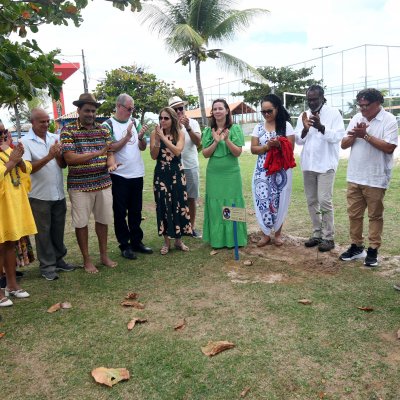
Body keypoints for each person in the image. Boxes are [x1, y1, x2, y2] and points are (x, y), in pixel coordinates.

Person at [61, 93, 119, 274]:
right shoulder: (68, 130)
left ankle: (104, 255)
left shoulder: (103, 129)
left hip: (103, 182)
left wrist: (111, 164)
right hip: (80, 186)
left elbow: (109, 153)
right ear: (78, 110)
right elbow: (69, 158)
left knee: (103, 220)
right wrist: (96, 153)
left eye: (93, 111)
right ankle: (87, 260)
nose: (91, 114)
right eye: (87, 110)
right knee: (81, 223)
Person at [340, 88, 398, 267]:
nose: (362, 110)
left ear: (377, 103)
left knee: (375, 216)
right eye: (360, 106)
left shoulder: (389, 120)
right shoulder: (357, 118)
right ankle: (357, 247)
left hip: (375, 176)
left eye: (366, 106)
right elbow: (343, 144)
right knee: (354, 215)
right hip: (355, 175)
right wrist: (355, 135)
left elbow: (389, 147)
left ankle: (373, 250)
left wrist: (365, 135)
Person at [22, 108, 75, 281]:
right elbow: (29, 169)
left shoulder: (54, 137)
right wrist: (49, 156)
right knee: (43, 233)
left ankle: (59, 259)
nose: (46, 124)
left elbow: (62, 165)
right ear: (33, 122)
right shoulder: (25, 142)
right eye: (41, 121)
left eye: (47, 121)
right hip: (39, 195)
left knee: (58, 230)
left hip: (57, 193)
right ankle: (46, 266)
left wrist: (59, 156)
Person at [295, 85, 345, 252]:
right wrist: (305, 128)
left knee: (324, 200)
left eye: (315, 99)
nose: (311, 102)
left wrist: (321, 127)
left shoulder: (333, 113)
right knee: (311, 201)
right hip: (308, 164)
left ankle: (328, 237)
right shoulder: (304, 115)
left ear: (323, 98)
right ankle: (317, 234)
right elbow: (299, 140)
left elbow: (338, 136)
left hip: (326, 164)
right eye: (309, 99)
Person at [102, 94, 153, 260]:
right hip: (119, 175)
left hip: (136, 173)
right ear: (119, 106)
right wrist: (127, 136)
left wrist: (140, 138)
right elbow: (111, 148)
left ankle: (137, 242)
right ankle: (124, 245)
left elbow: (142, 147)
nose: (131, 112)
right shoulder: (107, 124)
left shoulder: (135, 122)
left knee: (136, 211)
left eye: (133, 109)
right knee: (120, 212)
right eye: (129, 109)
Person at [251, 94, 295, 247]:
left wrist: (279, 145)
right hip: (261, 171)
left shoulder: (286, 126)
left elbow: (291, 149)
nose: (266, 114)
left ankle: (277, 234)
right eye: (263, 112)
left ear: (277, 108)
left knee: (279, 199)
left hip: (281, 171)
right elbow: (253, 149)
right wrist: (267, 147)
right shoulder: (258, 127)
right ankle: (265, 234)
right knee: (262, 200)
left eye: (269, 111)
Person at [202, 98, 247, 248]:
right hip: (214, 174)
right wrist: (215, 141)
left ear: (227, 110)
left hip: (231, 174)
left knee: (232, 203)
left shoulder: (235, 129)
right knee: (216, 206)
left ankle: (234, 238)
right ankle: (218, 239)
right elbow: (205, 154)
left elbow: (237, 153)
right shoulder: (208, 131)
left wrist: (226, 140)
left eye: (220, 108)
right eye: (215, 109)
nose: (217, 111)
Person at [0, 123, 36, 306]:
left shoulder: (6, 148)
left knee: (9, 244)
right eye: (0, 132)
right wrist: (12, 161)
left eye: (4, 131)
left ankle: (12, 285)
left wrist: (20, 160)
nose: (3, 135)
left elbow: (26, 170)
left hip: (11, 206)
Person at [150, 107, 192, 255]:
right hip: (161, 174)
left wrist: (163, 139)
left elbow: (177, 151)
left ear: (172, 119)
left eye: (166, 118)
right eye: (161, 118)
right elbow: (153, 156)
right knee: (163, 206)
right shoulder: (155, 133)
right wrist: (157, 140)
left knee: (178, 204)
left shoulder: (179, 133)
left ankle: (179, 240)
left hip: (176, 173)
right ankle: (166, 242)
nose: (162, 121)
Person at [168, 96, 202, 238]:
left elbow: (198, 142)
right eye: (175, 109)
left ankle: (191, 227)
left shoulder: (193, 123)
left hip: (190, 165)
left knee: (191, 198)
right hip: (174, 166)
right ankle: (177, 228)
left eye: (181, 108)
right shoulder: (168, 125)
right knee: (175, 199)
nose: (179, 111)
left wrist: (187, 127)